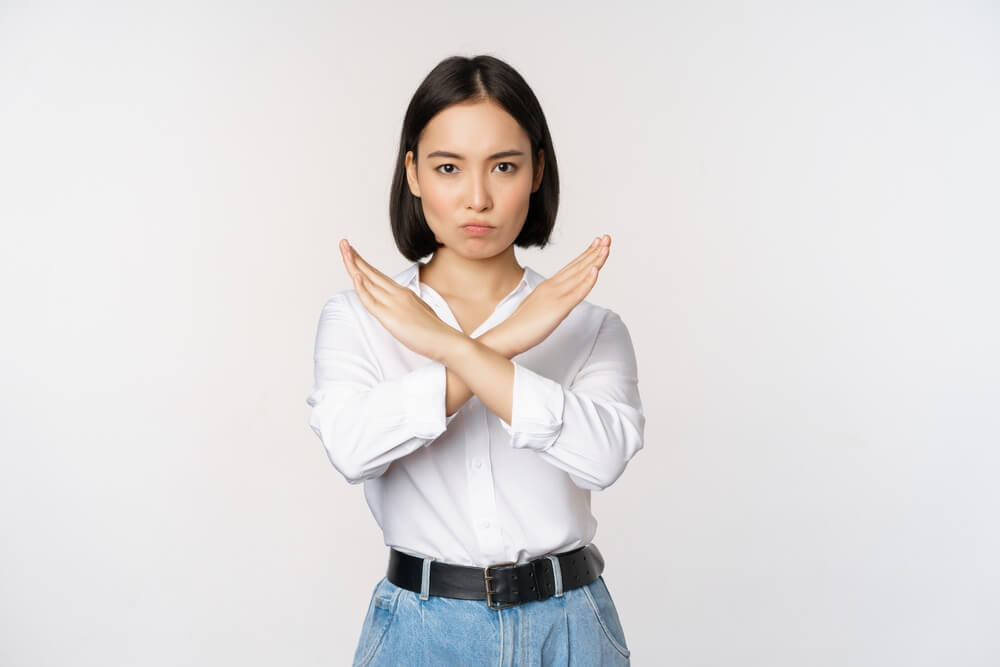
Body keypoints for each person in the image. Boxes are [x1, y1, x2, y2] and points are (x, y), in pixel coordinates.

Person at [306, 54, 645, 666]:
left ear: (537, 171)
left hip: (570, 629)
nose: (478, 197)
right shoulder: (357, 318)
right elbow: (352, 450)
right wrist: (508, 341)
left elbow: (604, 460)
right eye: (448, 167)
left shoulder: (592, 326)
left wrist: (453, 347)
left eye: (504, 166)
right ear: (412, 173)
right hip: (419, 631)